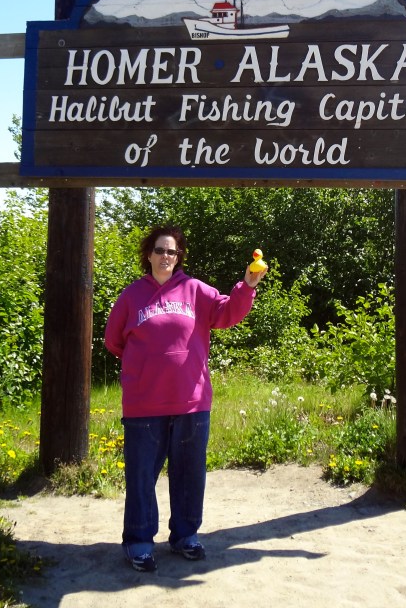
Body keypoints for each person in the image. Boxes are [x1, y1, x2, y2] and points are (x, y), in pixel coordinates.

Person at [104, 225, 267, 573]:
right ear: (148, 255)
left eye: (172, 252)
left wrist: (248, 286)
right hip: (144, 406)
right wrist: (145, 369)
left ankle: (185, 536)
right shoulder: (131, 296)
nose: (166, 256)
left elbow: (227, 313)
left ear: (179, 257)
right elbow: (113, 340)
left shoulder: (195, 290)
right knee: (141, 476)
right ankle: (139, 542)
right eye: (160, 250)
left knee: (190, 474)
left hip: (192, 403)